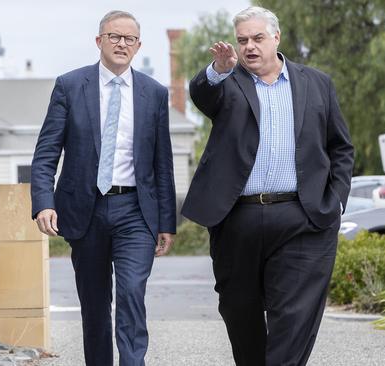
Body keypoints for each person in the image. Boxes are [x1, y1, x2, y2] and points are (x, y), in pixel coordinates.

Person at [181, 6, 354, 366]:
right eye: (242, 40)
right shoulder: (227, 84)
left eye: (258, 38)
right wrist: (218, 70)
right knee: (239, 311)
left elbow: (340, 148)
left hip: (302, 218)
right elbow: (201, 94)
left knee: (293, 318)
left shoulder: (316, 83)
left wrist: (336, 201)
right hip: (238, 219)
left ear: (276, 37)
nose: (250, 47)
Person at [30, 10, 176, 366]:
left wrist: (166, 223)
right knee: (94, 304)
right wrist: (43, 202)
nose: (121, 44)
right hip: (85, 209)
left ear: (138, 45)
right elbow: (47, 151)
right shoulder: (69, 85)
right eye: (114, 37)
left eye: (129, 39)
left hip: (135, 212)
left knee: (130, 293)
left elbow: (163, 164)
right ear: (99, 41)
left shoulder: (154, 94)